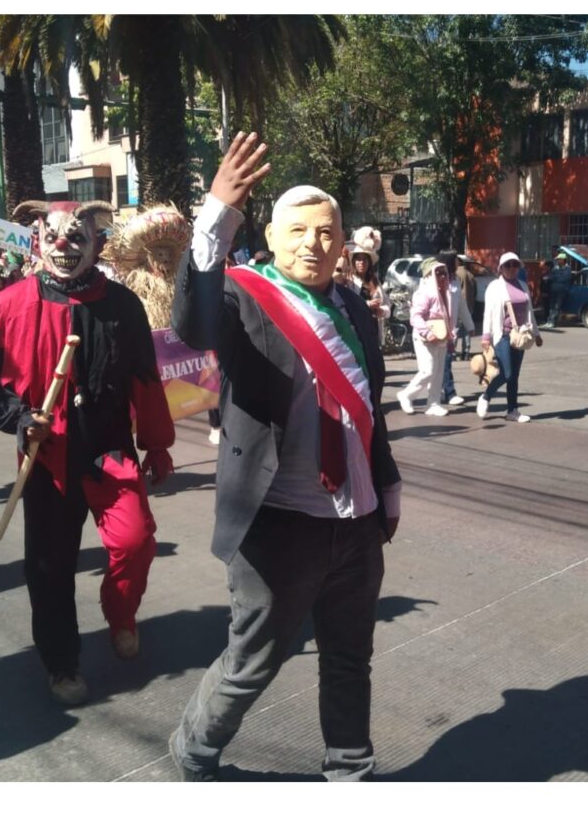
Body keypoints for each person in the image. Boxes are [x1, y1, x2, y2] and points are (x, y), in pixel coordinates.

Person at [171, 135, 401, 781]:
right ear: (270, 237)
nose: (313, 244)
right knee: (253, 661)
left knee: (349, 657)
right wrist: (217, 213)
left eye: (326, 232)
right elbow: (193, 323)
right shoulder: (243, 296)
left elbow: (369, 405)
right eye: (297, 231)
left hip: (355, 522)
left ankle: (350, 769)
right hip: (278, 522)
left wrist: (387, 486)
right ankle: (195, 748)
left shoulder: (354, 306)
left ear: (343, 241)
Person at [0, 201, 175, 702]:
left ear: (99, 244)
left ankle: (121, 613)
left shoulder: (122, 305)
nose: (64, 247)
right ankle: (61, 663)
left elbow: (145, 377)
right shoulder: (11, 304)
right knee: (50, 565)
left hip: (109, 449)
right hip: (47, 456)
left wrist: (156, 443)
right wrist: (22, 420)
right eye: (53, 238)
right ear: (37, 241)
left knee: (135, 541)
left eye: (77, 237)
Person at [396, 254, 462, 416]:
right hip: (425, 338)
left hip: (442, 337)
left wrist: (450, 336)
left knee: (438, 372)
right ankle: (406, 395)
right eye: (438, 273)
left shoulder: (446, 292)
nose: (442, 276)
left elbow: (449, 316)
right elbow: (415, 316)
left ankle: (433, 403)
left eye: (444, 273)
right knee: (428, 370)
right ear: (429, 275)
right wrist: (427, 332)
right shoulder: (424, 293)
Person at [477, 253, 536, 423]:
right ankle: (486, 396)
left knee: (514, 375)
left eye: (515, 265)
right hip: (502, 335)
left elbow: (529, 311)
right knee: (507, 373)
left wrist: (536, 333)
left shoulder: (523, 285)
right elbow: (488, 313)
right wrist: (486, 336)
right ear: (500, 268)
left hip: (520, 336)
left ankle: (512, 411)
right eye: (507, 265)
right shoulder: (494, 287)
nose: (511, 268)